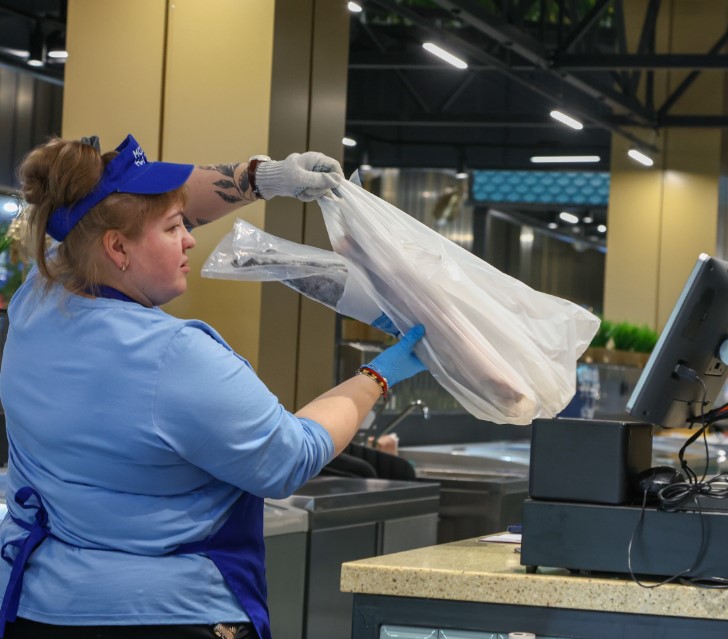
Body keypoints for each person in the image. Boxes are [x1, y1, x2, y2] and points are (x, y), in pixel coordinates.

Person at [0, 134, 428, 639]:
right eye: (173, 228)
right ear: (116, 247)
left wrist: (264, 178)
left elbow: (117, 213)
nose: (190, 238)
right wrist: (379, 374)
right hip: (161, 617)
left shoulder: (38, 298)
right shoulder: (173, 355)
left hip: (36, 607)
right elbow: (292, 456)